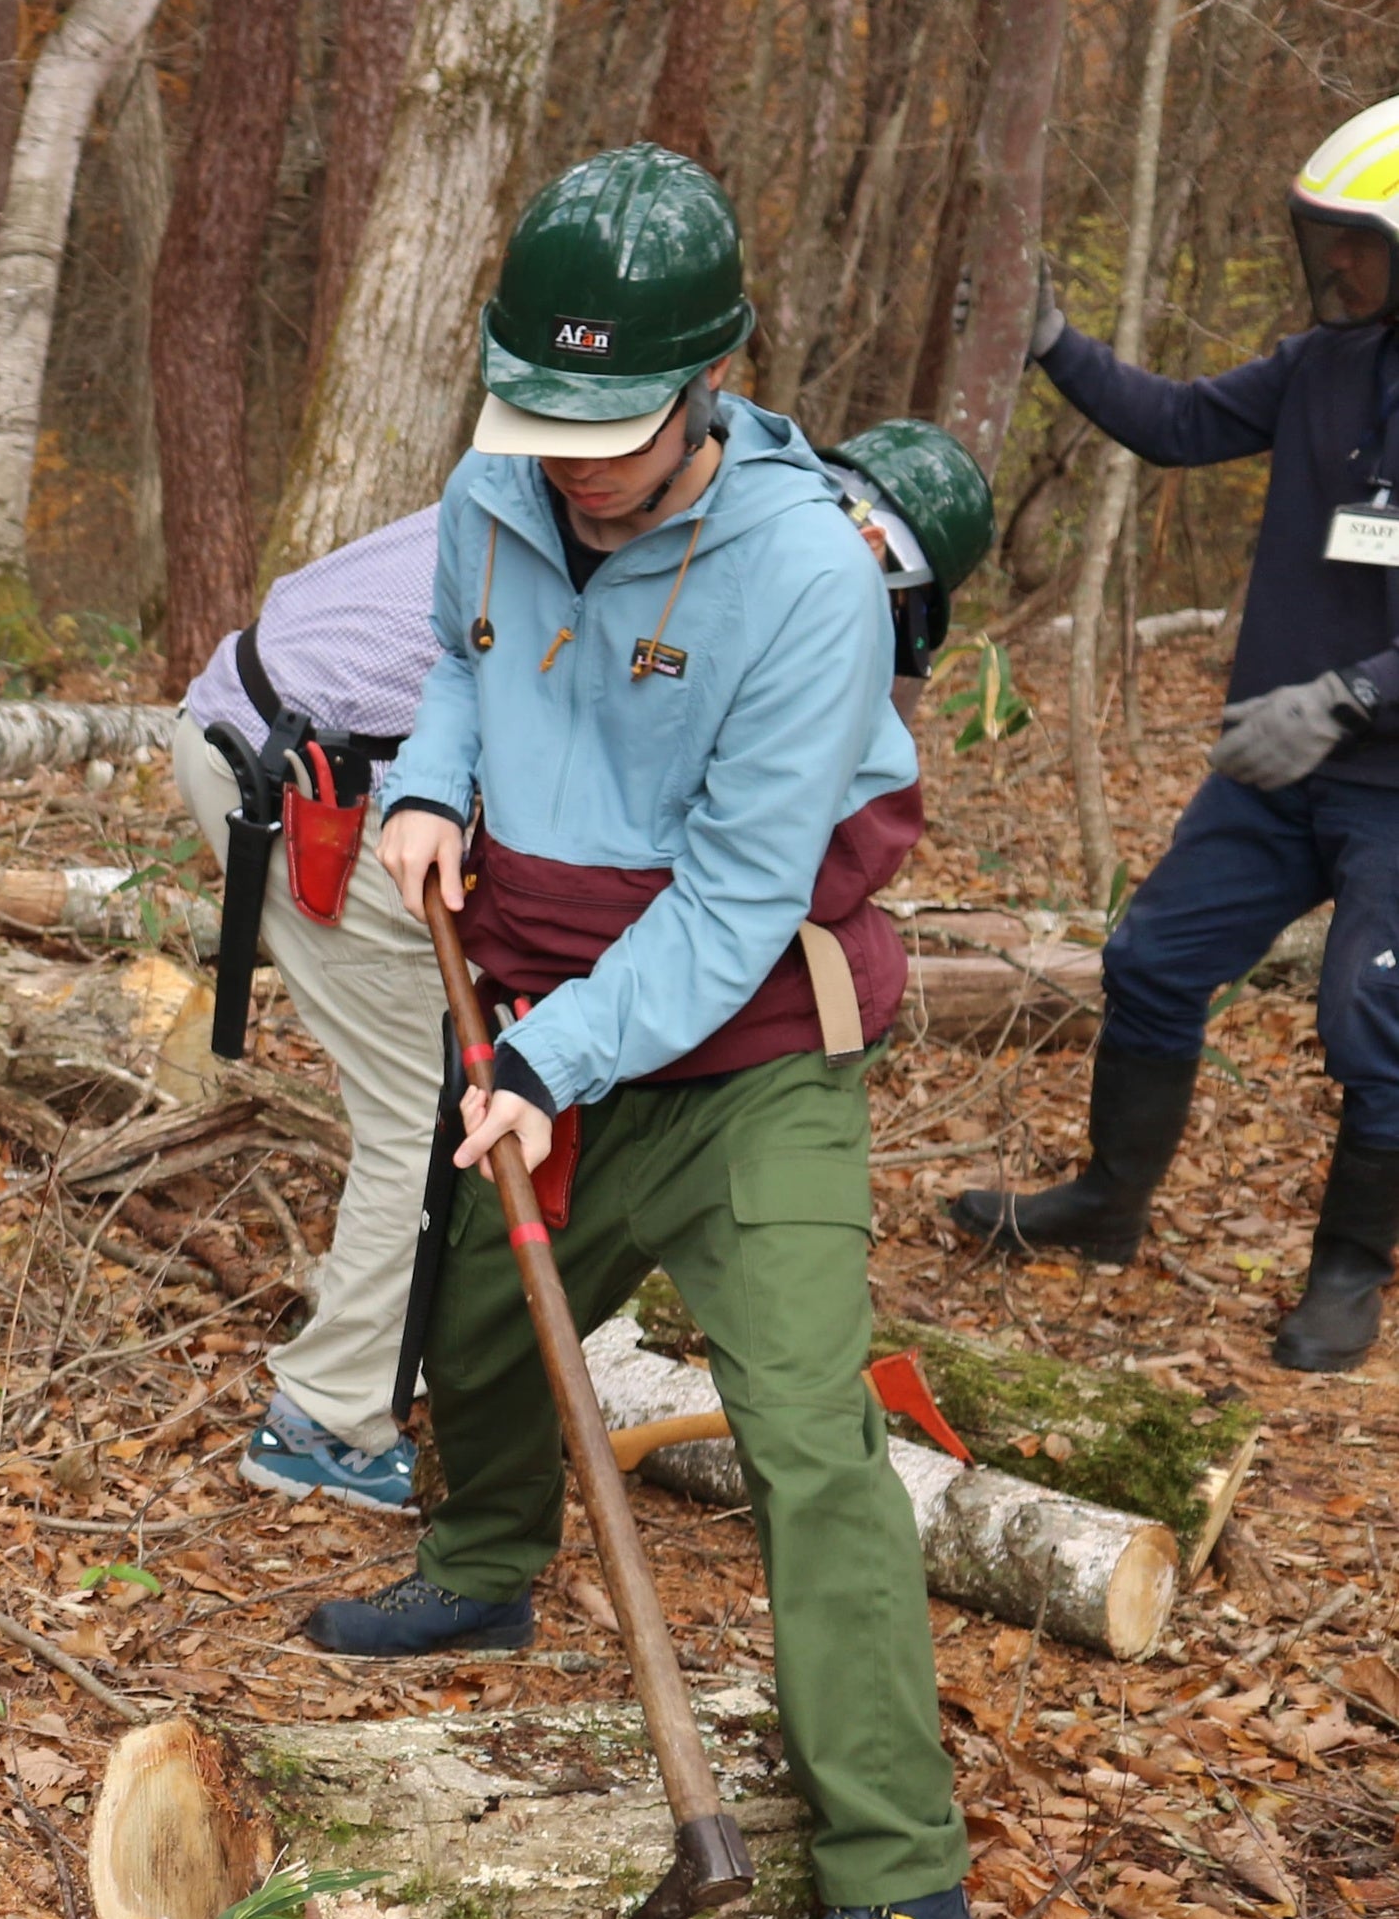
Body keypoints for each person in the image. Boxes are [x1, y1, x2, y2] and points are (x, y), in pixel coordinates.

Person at [316, 148, 976, 1919]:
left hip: (750, 1047)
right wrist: (433, 786)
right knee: (477, 1317)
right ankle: (485, 1572)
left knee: (806, 1437)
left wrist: (541, 1067)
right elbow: (461, 665)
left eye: (608, 427)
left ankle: (901, 1884)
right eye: (543, 415)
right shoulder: (490, 487)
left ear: (711, 385)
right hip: (542, 1003)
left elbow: (734, 904)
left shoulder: (804, 580)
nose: (570, 460)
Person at [176, 423, 988, 1518]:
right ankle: (328, 1418)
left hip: (280, 719)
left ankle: (419, 1371)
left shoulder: (667, 491)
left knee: (489, 1079)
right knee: (451, 1095)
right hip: (319, 771)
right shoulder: (646, 525)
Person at [952, 95, 1399, 1372]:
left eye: (1361, 244)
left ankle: (1348, 1273)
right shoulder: (1322, 367)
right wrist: (1051, 341)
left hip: (1383, 779)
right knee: (1151, 958)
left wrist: (1346, 698)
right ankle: (1107, 1204)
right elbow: (1180, 423)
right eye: (1325, 239)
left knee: (1371, 1018)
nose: (1334, 266)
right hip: (1276, 763)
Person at [174, 508, 445, 1511]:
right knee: (426, 1110)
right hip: (310, 777)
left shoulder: (587, 457)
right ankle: (325, 1421)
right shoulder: (627, 516)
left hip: (249, 717)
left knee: (428, 1076)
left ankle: (410, 1337)